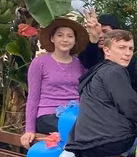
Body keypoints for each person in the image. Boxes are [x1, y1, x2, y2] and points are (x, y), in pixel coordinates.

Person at [66, 30, 137, 157]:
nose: (127, 53)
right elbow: (129, 108)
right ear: (107, 50)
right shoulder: (115, 71)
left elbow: (108, 105)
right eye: (121, 48)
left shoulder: (97, 70)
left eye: (130, 49)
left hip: (86, 143)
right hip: (110, 142)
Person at [20, 18, 89, 148]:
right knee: (76, 130)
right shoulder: (39, 63)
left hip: (75, 114)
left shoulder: (80, 64)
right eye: (60, 35)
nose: (65, 39)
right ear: (52, 38)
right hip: (48, 115)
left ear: (75, 41)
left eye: (70, 36)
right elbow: (33, 97)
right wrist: (29, 130)